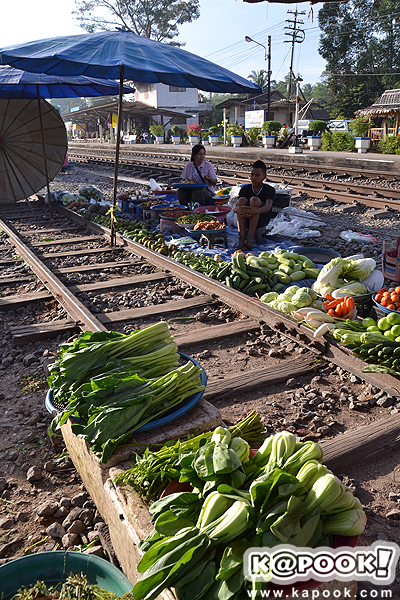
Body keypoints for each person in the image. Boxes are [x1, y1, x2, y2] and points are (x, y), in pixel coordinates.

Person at [233, 159, 275, 250]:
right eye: (252, 175)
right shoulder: (245, 189)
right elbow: (237, 205)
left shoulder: (269, 190)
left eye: (257, 175)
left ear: (264, 176)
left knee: (254, 200)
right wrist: (236, 209)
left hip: (262, 218)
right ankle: (242, 237)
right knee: (242, 201)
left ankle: (250, 237)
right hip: (246, 217)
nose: (254, 178)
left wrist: (257, 210)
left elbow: (269, 205)